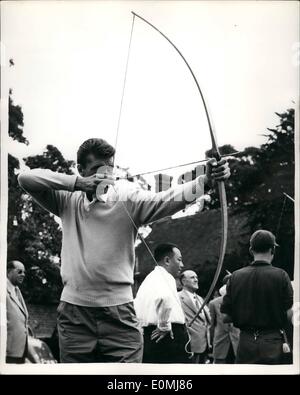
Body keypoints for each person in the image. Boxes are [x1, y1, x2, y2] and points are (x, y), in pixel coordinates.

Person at [18, 137, 230, 363]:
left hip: (119, 313)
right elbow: (25, 178)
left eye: (109, 170)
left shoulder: (127, 198)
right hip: (74, 313)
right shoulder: (66, 199)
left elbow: (166, 199)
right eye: (98, 170)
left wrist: (206, 181)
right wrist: (78, 183)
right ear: (81, 169)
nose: (105, 177)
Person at [221, 230, 294, 364]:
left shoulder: (235, 277)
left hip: (245, 344)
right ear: (273, 249)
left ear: (251, 250)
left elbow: (226, 317)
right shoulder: (282, 275)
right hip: (273, 342)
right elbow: (290, 314)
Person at [134, 243, 190, 363]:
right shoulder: (166, 277)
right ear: (167, 260)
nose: (182, 265)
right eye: (179, 260)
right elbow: (164, 298)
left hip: (150, 335)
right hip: (168, 337)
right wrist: (164, 326)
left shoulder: (149, 279)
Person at [178, 270, 211, 363]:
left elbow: (208, 320)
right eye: (192, 277)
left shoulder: (200, 299)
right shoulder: (177, 297)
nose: (196, 280)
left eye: (196, 277)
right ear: (183, 281)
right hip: (189, 346)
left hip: (205, 345)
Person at [208, 275, 240, 364]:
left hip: (237, 342)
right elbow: (211, 325)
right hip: (220, 342)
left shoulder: (241, 301)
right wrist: (210, 342)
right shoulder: (214, 303)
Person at [6, 260, 31, 363]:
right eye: (19, 272)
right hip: (7, 351)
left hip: (20, 351)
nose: (23, 275)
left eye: (24, 272)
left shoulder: (17, 291)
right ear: (9, 272)